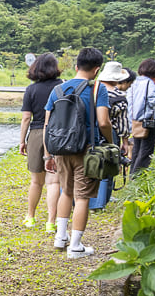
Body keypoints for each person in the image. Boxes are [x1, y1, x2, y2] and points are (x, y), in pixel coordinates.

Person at [43, 47, 112, 259]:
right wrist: (110, 143)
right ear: (97, 69)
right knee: (83, 198)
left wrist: (48, 155)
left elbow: (48, 125)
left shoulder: (57, 90)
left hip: (61, 149)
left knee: (67, 191)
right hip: (86, 150)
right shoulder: (97, 88)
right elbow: (103, 121)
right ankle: (75, 246)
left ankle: (60, 237)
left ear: (76, 66)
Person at [18, 52, 63, 230]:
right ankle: (51, 222)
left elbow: (26, 118)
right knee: (54, 181)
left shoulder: (31, 89)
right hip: (58, 134)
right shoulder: (63, 87)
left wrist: (22, 141)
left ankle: (30, 217)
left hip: (36, 134)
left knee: (36, 181)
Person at [128, 58, 155, 174]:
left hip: (135, 121)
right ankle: (137, 178)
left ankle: (132, 175)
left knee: (136, 150)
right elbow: (152, 101)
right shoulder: (150, 83)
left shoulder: (135, 82)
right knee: (146, 151)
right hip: (147, 121)